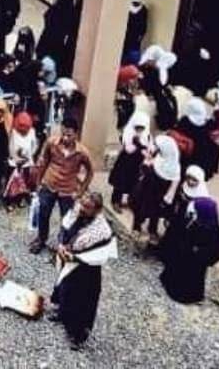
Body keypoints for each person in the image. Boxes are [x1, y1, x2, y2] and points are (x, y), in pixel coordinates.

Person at [51, 192, 117, 350]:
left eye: (87, 207)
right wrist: (61, 244)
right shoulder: (77, 212)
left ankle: (77, 335)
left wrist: (74, 257)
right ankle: (62, 314)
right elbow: (64, 228)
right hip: (69, 260)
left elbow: (98, 254)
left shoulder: (102, 231)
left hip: (86, 271)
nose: (82, 208)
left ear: (97, 210)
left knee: (82, 302)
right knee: (64, 289)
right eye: (83, 204)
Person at [29, 118, 93, 254]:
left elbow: (90, 172)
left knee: (66, 220)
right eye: (63, 134)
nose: (65, 138)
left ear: (76, 134)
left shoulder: (82, 153)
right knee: (43, 214)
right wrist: (38, 183)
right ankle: (41, 239)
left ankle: (62, 245)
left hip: (68, 191)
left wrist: (81, 191)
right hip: (49, 185)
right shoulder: (51, 143)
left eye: (69, 135)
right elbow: (43, 162)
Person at [159, 196, 219, 304]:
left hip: (191, 261)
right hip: (188, 259)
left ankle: (182, 295)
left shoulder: (209, 232)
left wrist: (199, 255)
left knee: (186, 277)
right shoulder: (209, 227)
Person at [108, 110, 151, 210]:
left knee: (132, 183)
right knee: (120, 182)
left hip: (136, 163)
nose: (139, 130)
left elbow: (148, 147)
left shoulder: (146, 135)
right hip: (126, 162)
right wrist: (139, 147)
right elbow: (129, 148)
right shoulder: (128, 132)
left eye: (142, 128)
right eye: (137, 128)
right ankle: (115, 201)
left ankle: (128, 201)